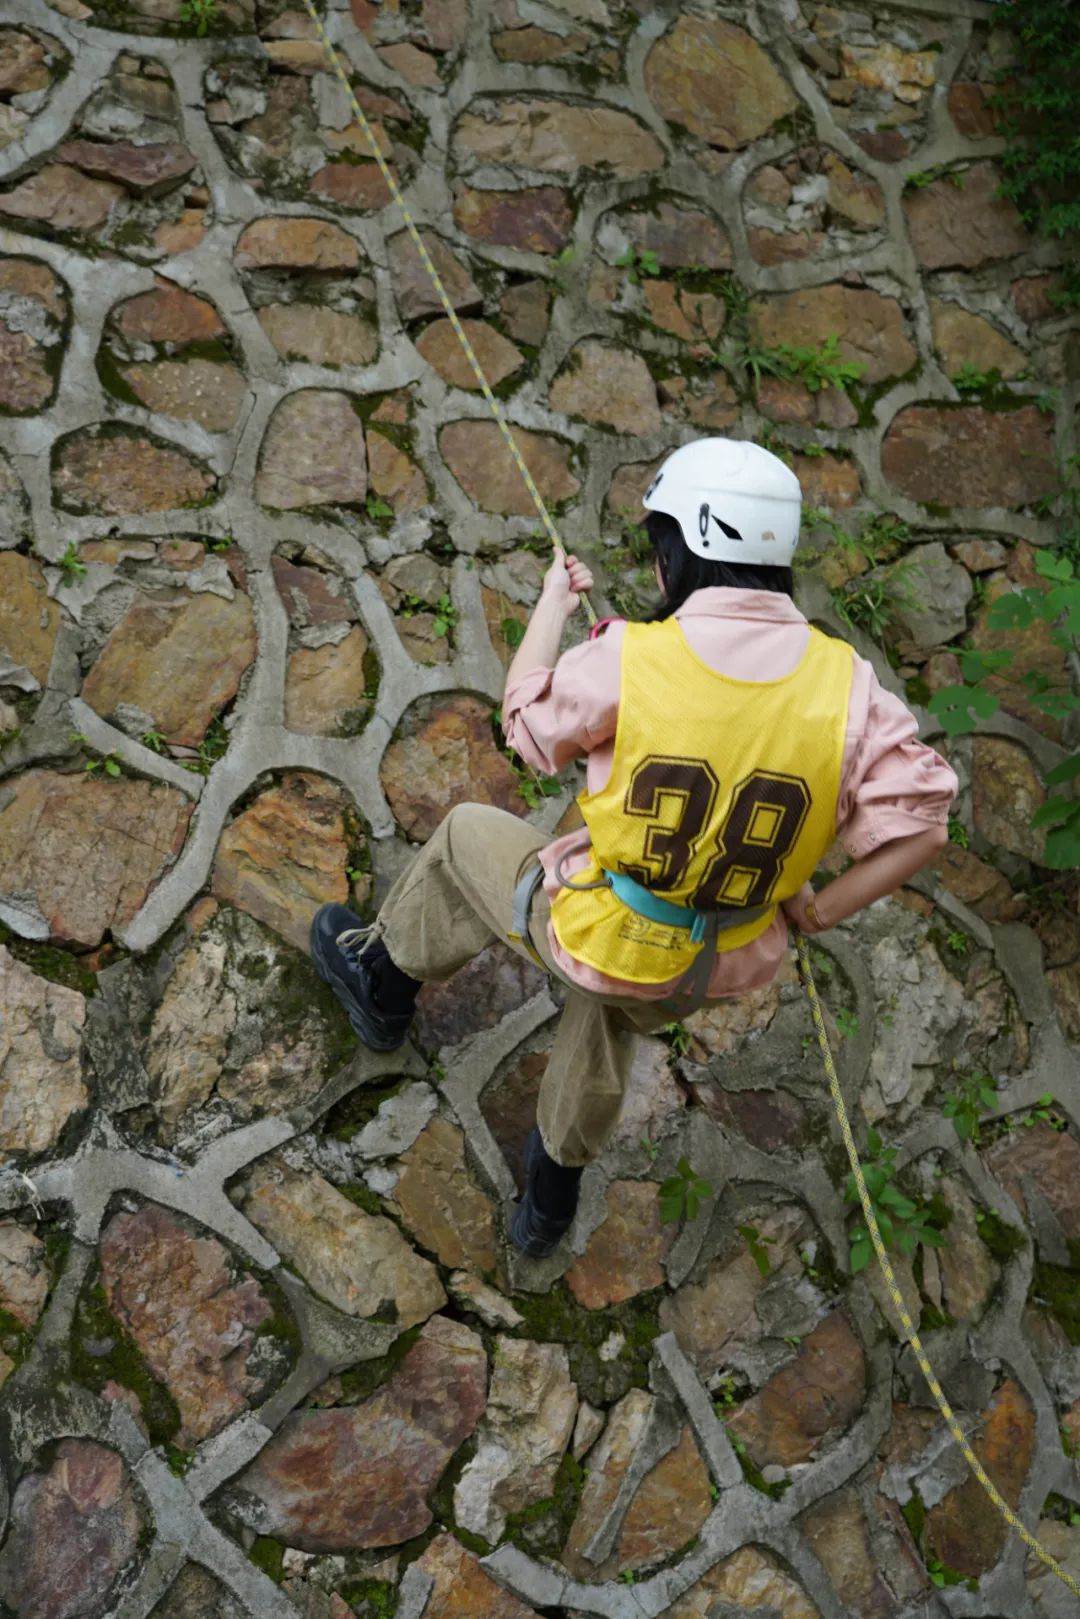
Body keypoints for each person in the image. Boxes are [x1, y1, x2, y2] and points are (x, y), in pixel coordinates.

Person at [310, 438, 958, 1258]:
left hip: (608, 924)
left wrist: (552, 603)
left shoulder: (635, 655)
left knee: (467, 835)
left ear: (677, 555)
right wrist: (817, 907)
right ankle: (550, 1190)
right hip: (714, 959)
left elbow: (528, 726)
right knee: (612, 1002)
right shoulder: (849, 685)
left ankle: (382, 982)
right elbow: (925, 825)